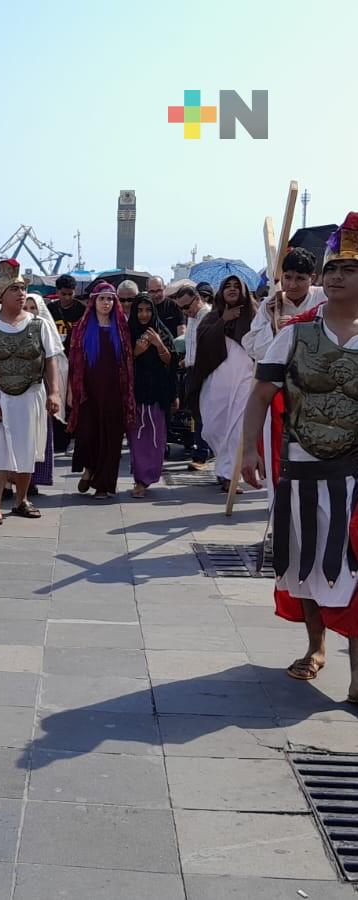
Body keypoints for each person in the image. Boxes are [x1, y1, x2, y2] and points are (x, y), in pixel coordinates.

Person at [240, 212, 358, 697]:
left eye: (346, 270)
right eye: (331, 270)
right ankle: (315, 647)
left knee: (353, 563)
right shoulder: (295, 332)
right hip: (303, 466)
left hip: (355, 471)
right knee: (306, 563)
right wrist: (249, 446)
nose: (334, 277)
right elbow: (262, 392)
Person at [0, 260, 63, 525]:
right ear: (2, 294)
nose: (21, 293)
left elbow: (50, 360)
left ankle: (21, 500)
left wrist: (54, 393)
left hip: (31, 395)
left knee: (26, 450)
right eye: (14, 289)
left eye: (22, 289)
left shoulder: (39, 325)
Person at [242, 248, 327, 484]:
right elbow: (251, 345)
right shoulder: (272, 303)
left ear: (313, 278)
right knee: (279, 445)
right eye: (288, 277)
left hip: (320, 388)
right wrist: (273, 327)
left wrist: (300, 325)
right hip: (282, 390)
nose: (292, 284)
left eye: (300, 278)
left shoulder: (324, 298)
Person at [69, 282, 135, 499]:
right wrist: (72, 390)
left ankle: (103, 485)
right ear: (94, 301)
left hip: (115, 392)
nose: (106, 303)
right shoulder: (81, 328)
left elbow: (126, 362)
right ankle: (89, 470)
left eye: (110, 299)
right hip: (88, 390)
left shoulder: (122, 328)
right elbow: (75, 362)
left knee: (112, 436)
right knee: (88, 433)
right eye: (102, 298)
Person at [195, 274, 256, 492]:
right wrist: (224, 321)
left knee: (237, 428)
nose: (231, 289)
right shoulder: (212, 317)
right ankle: (224, 465)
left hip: (244, 378)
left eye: (236, 286)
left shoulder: (255, 315)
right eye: (227, 286)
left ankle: (230, 474)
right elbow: (202, 343)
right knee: (213, 427)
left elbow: (262, 341)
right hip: (217, 378)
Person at [128, 293, 178, 497]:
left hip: (158, 393)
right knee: (137, 438)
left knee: (156, 438)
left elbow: (170, 361)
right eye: (139, 310)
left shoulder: (161, 331)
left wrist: (158, 344)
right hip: (135, 394)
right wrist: (136, 351)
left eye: (148, 310)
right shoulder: (128, 332)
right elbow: (122, 363)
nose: (144, 315)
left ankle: (150, 476)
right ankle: (140, 479)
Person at [25, 292, 66, 495]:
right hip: (18, 391)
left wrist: (54, 393)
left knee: (39, 436)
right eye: (26, 307)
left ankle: (33, 480)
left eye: (34, 308)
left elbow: (55, 364)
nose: (30, 312)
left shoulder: (46, 330)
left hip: (41, 391)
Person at [171, 279, 214, 471]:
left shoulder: (208, 316)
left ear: (197, 299)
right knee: (196, 414)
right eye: (181, 308)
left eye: (187, 306)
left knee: (203, 413)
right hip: (191, 369)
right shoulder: (192, 316)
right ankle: (201, 450)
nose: (185, 311)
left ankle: (203, 453)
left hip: (203, 371)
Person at [48, 273, 86, 453]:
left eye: (70, 294)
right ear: (57, 292)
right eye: (64, 294)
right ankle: (59, 438)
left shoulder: (82, 309)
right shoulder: (50, 309)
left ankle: (73, 436)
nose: (67, 298)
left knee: (74, 399)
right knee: (58, 399)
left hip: (76, 360)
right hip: (55, 360)